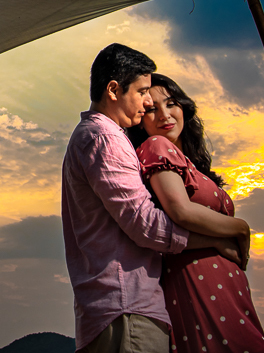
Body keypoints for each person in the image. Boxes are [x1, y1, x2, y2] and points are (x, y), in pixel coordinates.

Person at [63, 44, 243, 353]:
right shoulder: (104, 138)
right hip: (126, 307)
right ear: (113, 89)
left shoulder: (100, 136)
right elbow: (145, 224)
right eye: (143, 91)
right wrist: (220, 237)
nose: (149, 102)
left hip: (123, 308)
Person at [126, 74, 264, 353]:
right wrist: (241, 228)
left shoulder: (190, 163)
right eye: (151, 109)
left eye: (171, 104)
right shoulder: (156, 147)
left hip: (226, 284)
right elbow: (180, 211)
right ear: (140, 120)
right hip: (196, 278)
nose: (164, 115)